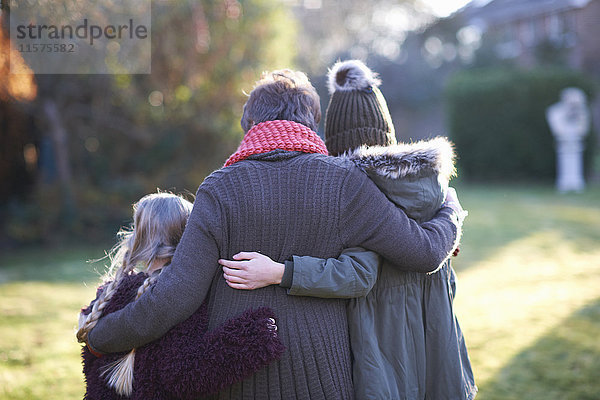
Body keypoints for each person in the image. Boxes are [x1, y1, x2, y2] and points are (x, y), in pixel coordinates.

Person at [85, 69, 464, 399]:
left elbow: (176, 295)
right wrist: (450, 212)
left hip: (232, 376)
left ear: (250, 125)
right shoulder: (344, 183)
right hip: (323, 378)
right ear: (311, 124)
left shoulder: (219, 188)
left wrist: (103, 335)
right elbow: (426, 252)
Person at [219, 60, 476, 399]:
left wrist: (280, 272)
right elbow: (442, 268)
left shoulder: (354, 191)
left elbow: (357, 273)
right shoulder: (432, 191)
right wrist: (452, 216)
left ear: (335, 142)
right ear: (387, 131)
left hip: (382, 354)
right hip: (438, 349)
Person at [77, 192, 284, 400]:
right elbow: (183, 375)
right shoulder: (181, 294)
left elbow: (91, 364)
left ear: (138, 237)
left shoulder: (109, 294)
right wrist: (252, 336)